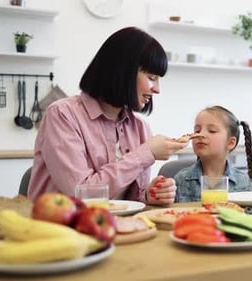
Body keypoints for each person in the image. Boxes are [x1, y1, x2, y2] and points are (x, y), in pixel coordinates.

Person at [28, 27, 187, 205]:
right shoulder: (62, 115)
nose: (157, 89)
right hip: (60, 229)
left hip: (115, 227)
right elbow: (82, 195)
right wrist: (145, 153)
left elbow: (127, 201)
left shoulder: (140, 128)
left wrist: (148, 196)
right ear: (123, 72)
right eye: (151, 77)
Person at [174, 105, 252, 202]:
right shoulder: (181, 180)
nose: (200, 135)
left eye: (212, 131)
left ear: (230, 143)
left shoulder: (243, 182)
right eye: (197, 130)